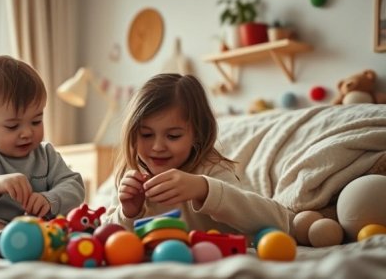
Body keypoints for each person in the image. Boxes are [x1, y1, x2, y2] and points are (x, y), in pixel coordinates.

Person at [105, 73, 294, 240]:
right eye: (146, 134)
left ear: (197, 134)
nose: (157, 147)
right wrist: (129, 212)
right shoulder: (133, 178)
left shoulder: (211, 169)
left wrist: (203, 189)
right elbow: (106, 237)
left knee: (302, 224)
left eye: (173, 136)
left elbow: (278, 220)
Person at [0, 55, 85, 251]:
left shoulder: (46, 155)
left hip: (35, 230)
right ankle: (3, 243)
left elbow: (74, 187)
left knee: (67, 228)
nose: (27, 132)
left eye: (36, 121)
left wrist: (49, 199)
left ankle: (27, 244)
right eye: (13, 126)